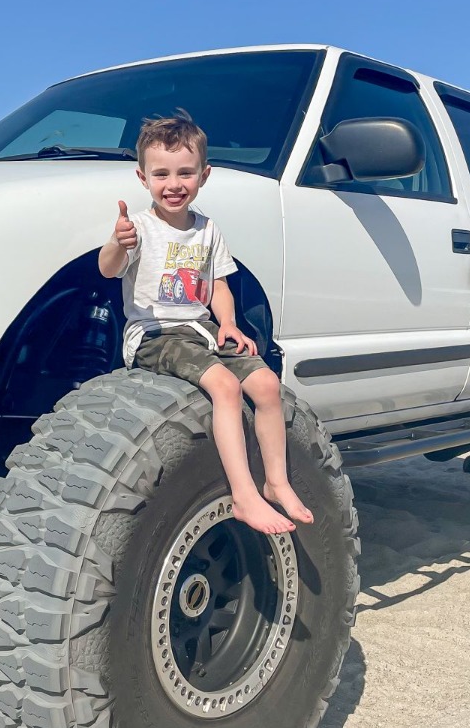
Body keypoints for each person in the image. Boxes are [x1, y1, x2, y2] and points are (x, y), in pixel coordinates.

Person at [98, 111, 313, 535]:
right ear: (143, 178)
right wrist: (116, 243)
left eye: (185, 173)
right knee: (225, 387)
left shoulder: (207, 229)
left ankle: (276, 482)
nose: (173, 184)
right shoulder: (139, 228)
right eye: (161, 174)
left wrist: (228, 323)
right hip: (156, 334)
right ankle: (243, 495)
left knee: (266, 384)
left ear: (204, 175)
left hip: (202, 330)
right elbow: (109, 270)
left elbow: (218, 285)